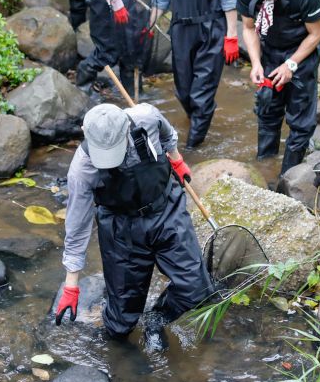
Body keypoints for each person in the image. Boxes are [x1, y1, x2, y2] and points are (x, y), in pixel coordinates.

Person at [55, 103, 213, 350]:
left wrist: (176, 160)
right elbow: (77, 226)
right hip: (122, 230)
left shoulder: (146, 117)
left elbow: (167, 134)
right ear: (85, 132)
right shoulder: (82, 169)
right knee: (120, 325)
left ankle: (156, 319)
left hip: (166, 210)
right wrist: (71, 285)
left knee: (195, 288)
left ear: (127, 126)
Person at [149, 0, 239, 149]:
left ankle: (192, 148)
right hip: (181, 29)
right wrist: (148, 26)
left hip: (212, 30)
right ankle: (198, 118)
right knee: (184, 92)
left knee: (201, 94)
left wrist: (231, 36)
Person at [237, 0, 320, 178]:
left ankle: (288, 178)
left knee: (300, 120)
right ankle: (264, 169)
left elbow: (316, 34)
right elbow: (248, 28)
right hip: (269, 51)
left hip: (300, 54)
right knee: (267, 111)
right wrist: (256, 63)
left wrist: (291, 65)